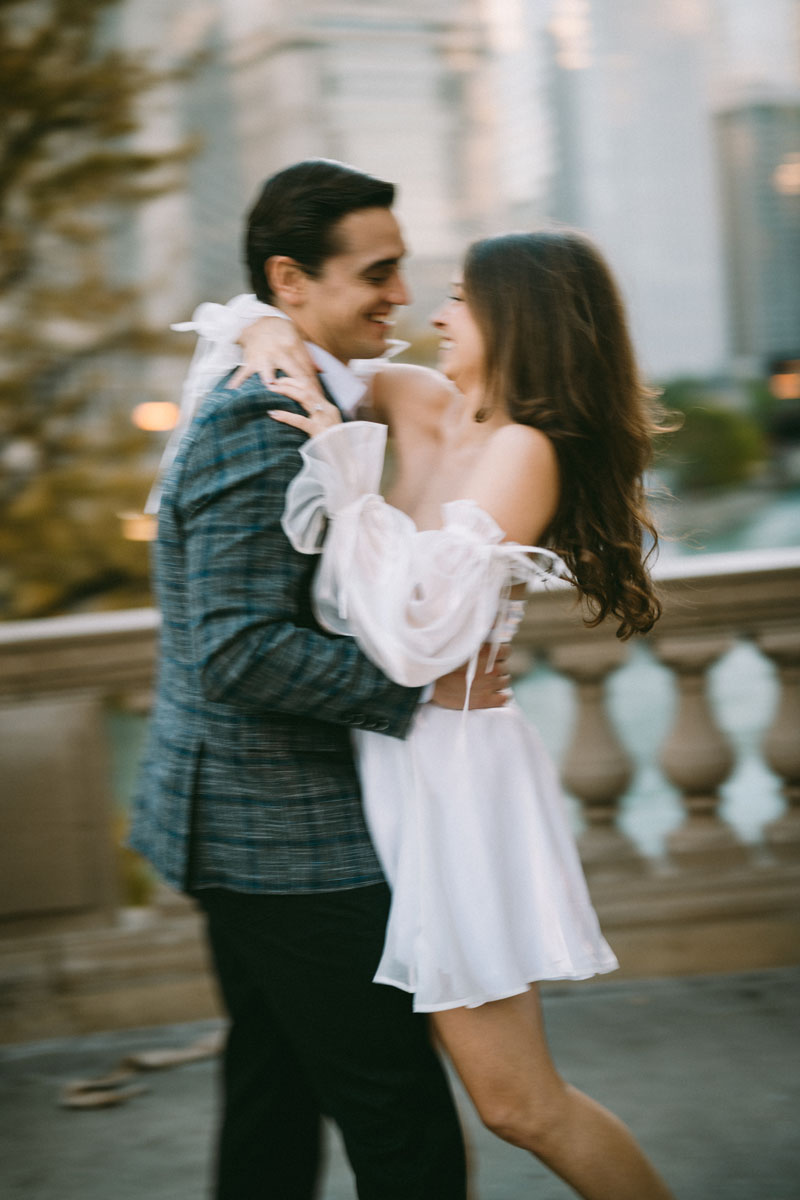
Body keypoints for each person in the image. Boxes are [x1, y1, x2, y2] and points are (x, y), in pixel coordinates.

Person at [223, 226, 677, 1199]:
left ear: (520, 317)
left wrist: (348, 487)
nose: (434, 311)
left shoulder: (523, 452)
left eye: (463, 298)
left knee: (517, 1104)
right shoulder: (421, 400)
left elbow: (412, 640)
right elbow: (291, 335)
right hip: (380, 759)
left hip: (452, 776)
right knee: (389, 1084)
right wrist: (265, 328)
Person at [130, 159, 513, 1200]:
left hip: (242, 824)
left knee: (275, 1097)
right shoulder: (265, 422)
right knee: (403, 1131)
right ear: (291, 280)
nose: (399, 295)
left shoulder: (298, 380)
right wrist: (417, 691)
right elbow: (237, 646)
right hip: (281, 840)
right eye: (376, 273)